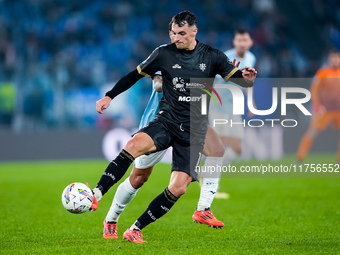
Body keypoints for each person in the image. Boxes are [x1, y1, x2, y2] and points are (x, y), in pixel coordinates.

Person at [92, 11, 257, 243]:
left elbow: (240, 80)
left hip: (194, 126)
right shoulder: (163, 54)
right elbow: (137, 76)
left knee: (188, 178)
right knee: (139, 177)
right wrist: (110, 96)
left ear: (194, 31)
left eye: (181, 33)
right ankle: (108, 216)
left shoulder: (212, 56)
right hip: (164, 120)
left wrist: (246, 78)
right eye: (173, 33)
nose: (176, 38)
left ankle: (192, 212)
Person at [210, 29, 256, 199]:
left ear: (250, 42)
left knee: (237, 149)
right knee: (219, 148)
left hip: (234, 108)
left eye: (245, 40)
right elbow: (214, 79)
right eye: (239, 40)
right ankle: (212, 186)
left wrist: (250, 103)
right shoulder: (226, 57)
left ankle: (206, 169)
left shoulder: (251, 58)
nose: (242, 43)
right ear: (234, 42)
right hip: (219, 106)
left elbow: (247, 81)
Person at [296, 52, 340, 163]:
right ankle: (300, 158)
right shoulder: (323, 73)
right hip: (325, 109)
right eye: (333, 59)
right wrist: (317, 104)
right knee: (312, 132)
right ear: (329, 60)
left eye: (337, 59)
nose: (335, 61)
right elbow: (314, 89)